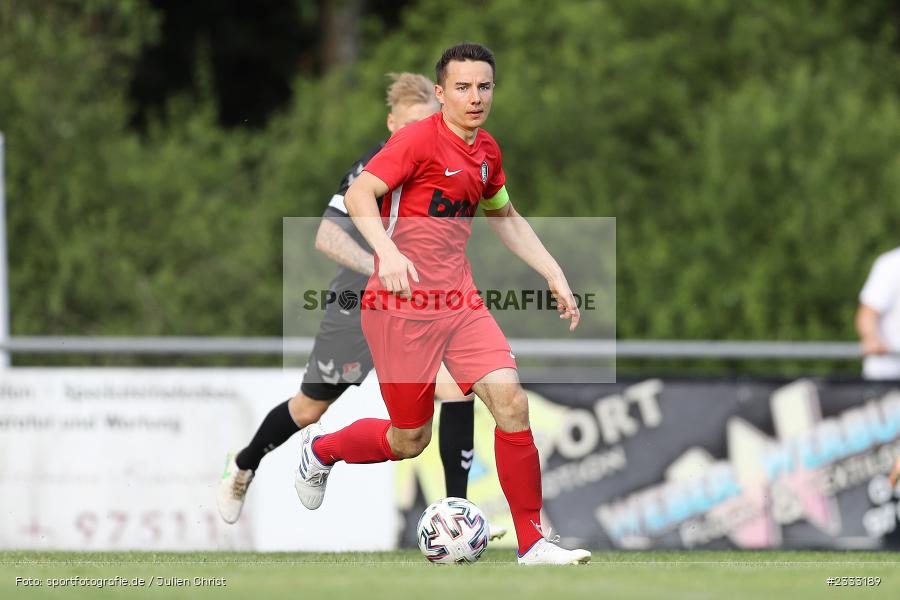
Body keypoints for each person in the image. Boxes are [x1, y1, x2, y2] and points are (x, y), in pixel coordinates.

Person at [293, 43, 591, 565]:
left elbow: (504, 217)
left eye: (484, 87)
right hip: (398, 308)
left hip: (458, 302)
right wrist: (385, 253)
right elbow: (361, 195)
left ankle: (533, 543)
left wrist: (554, 272)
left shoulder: (488, 152)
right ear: (441, 92)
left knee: (512, 404)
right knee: (408, 440)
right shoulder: (415, 141)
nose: (474, 97)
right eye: (462, 87)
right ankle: (322, 451)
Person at [218, 73, 505, 541]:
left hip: (423, 308)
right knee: (310, 409)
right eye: (410, 123)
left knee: (457, 388)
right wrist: (381, 265)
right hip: (360, 308)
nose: (420, 130)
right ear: (392, 123)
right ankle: (244, 465)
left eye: (427, 121)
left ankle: (459, 517)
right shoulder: (373, 166)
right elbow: (327, 235)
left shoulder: (448, 156)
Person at [858, 247, 900, 488]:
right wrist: (871, 338)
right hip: (885, 381)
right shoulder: (891, 264)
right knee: (882, 455)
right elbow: (866, 314)